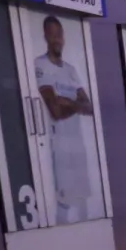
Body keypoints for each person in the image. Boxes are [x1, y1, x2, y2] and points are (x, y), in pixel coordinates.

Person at [34, 14, 96, 224]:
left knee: (82, 199)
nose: (57, 39)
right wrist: (76, 104)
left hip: (78, 144)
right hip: (60, 145)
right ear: (45, 36)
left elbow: (90, 108)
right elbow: (55, 111)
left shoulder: (71, 70)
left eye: (59, 35)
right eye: (53, 35)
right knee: (64, 201)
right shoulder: (41, 65)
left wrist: (67, 102)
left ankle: (89, 234)